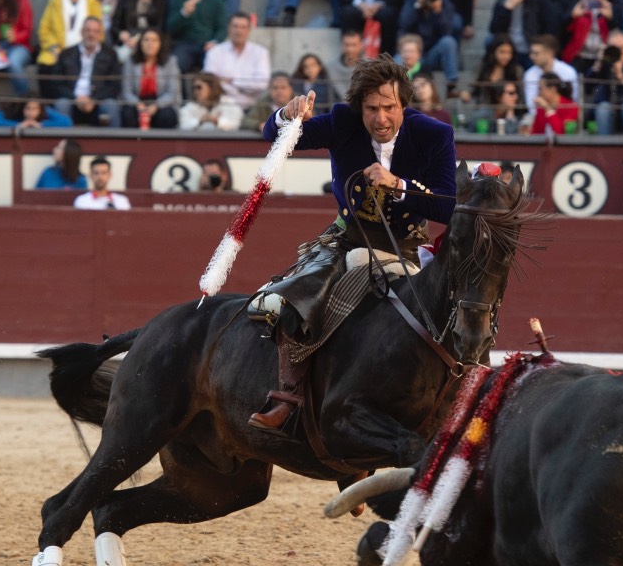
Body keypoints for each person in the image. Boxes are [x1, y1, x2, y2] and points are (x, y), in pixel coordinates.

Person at [249, 54, 457, 430]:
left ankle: (448, 403)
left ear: (404, 105)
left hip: (407, 248)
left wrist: (399, 186)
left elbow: (449, 206)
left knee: (456, 314)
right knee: (296, 300)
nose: (380, 119)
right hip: (347, 240)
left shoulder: (433, 133)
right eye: (371, 108)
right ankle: (289, 396)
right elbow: (274, 135)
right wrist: (288, 115)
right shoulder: (344, 123)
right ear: (359, 107)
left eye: (389, 108)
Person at [36, 0, 103, 98]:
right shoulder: (55, 0)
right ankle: (48, 106)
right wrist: (53, 47)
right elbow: (44, 28)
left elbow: (99, 30)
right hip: (57, 49)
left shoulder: (93, 2)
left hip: (84, 49)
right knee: (45, 66)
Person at [397, 0, 460, 97]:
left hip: (433, 54)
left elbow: (447, 32)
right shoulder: (411, 0)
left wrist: (437, 12)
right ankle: (400, 94)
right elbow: (404, 25)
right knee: (397, 60)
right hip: (411, 52)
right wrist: (418, 6)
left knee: (448, 42)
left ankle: (451, 85)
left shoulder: (446, 5)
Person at [53, 15, 122, 126]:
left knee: (111, 105)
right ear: (81, 32)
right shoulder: (66, 54)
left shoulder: (110, 54)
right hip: (72, 99)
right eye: (88, 30)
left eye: (95, 31)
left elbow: (114, 86)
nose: (91, 35)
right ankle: (62, 142)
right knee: (61, 104)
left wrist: (94, 99)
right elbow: (57, 84)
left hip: (99, 100)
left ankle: (115, 143)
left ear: (100, 35)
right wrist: (76, 98)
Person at [203, 12, 270, 111]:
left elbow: (261, 84)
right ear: (228, 28)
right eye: (235, 26)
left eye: (243, 27)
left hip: (251, 109)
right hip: (222, 108)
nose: (238, 31)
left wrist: (232, 81)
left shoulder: (260, 52)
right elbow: (211, 82)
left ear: (249, 30)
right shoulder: (215, 52)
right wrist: (245, 88)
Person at [166, 0, 227, 76]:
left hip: (207, 45)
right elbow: (169, 29)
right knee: (175, 64)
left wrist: (214, 41)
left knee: (215, 64)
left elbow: (222, 28)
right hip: (184, 45)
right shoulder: (176, 0)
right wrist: (183, 14)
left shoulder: (217, 1)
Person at [120, 26, 180, 127]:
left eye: (154, 40)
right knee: (128, 114)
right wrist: (137, 104)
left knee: (166, 116)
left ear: (160, 44)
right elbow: (126, 91)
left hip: (161, 103)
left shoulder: (170, 62)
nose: (150, 43)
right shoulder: (130, 61)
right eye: (146, 40)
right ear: (140, 43)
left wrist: (156, 105)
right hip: (137, 102)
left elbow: (172, 92)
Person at [489, 0, 552, 66]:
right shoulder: (501, 2)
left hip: (532, 48)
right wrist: (506, 9)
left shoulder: (539, 0)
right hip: (510, 50)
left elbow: (550, 25)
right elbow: (494, 30)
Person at [336, 0, 405, 57]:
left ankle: (386, 55)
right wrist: (360, 4)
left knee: (388, 15)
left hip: (382, 5)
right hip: (358, 6)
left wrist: (380, 4)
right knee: (349, 13)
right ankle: (350, 54)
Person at [560, 0, 615, 76]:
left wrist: (611, 18)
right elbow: (562, 31)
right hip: (579, 56)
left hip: (602, 57)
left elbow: (618, 34)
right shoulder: (578, 4)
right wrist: (572, 16)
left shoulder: (613, 7)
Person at [110, 0, 168, 64]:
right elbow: (115, 24)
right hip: (127, 42)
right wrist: (120, 33)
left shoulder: (161, 2)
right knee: (118, 56)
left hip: (150, 42)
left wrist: (139, 39)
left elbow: (159, 28)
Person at [461, 33, 523, 105]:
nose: (506, 56)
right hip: (484, 110)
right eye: (502, 52)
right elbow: (470, 88)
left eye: (509, 52)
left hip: (509, 111)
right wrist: (465, 94)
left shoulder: (516, 71)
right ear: (493, 52)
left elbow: (520, 97)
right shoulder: (482, 68)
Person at [522, 34, 578, 114]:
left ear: (549, 53)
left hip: (564, 116)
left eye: (536, 53)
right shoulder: (529, 74)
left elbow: (573, 100)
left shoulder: (568, 72)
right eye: (531, 53)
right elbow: (531, 105)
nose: (532, 57)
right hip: (538, 117)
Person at [178, 69, 242, 129]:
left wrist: (216, 121)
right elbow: (183, 125)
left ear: (211, 88)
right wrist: (200, 121)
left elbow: (235, 125)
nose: (196, 91)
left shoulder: (229, 103)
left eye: (199, 87)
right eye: (194, 88)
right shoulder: (189, 107)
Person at [0, 94, 73, 126]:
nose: (31, 112)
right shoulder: (16, 114)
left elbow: (67, 122)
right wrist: (19, 125)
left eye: (35, 109)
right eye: (28, 108)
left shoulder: (45, 115)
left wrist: (41, 125)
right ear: (23, 109)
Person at [325, 27, 363, 100]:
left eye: (353, 45)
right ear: (341, 45)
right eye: (346, 45)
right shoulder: (330, 67)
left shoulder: (370, 66)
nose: (349, 49)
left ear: (361, 45)